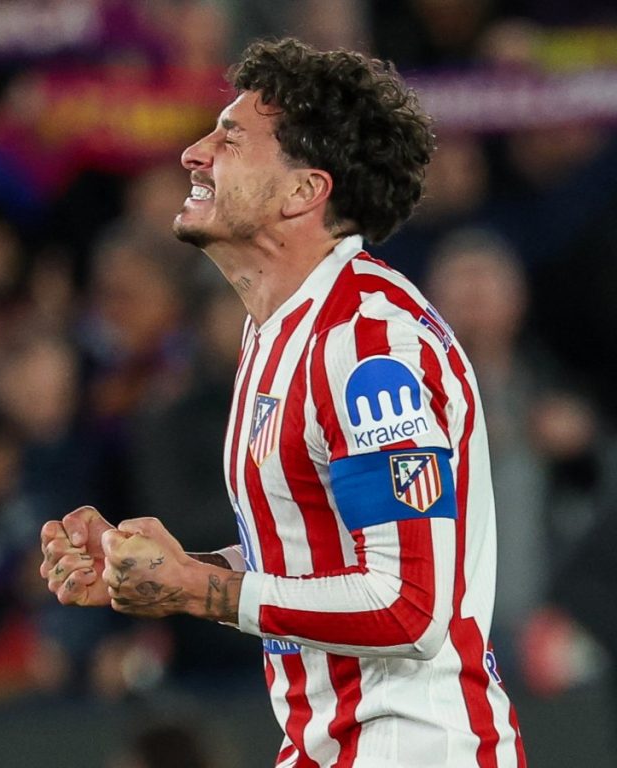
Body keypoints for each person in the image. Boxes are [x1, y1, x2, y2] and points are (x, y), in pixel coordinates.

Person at [39, 38, 526, 767]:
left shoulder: (368, 348)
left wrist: (204, 590)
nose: (193, 154)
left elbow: (410, 606)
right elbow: (322, 547)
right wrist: (169, 569)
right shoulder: (282, 329)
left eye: (230, 137)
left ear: (305, 191)